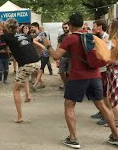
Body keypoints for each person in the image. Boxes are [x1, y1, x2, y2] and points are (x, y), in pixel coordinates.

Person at [43, 13, 118, 148]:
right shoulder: (92, 36)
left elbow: (56, 56)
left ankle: (73, 139)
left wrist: (48, 45)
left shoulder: (70, 38)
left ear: (71, 25)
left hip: (78, 77)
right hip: (95, 75)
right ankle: (116, 135)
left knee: (69, 105)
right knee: (102, 105)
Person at [0, 18, 42, 122]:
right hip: (37, 62)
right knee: (23, 74)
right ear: (17, 27)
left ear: (7, 28)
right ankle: (27, 94)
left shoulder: (8, 36)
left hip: (27, 64)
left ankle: (20, 116)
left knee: (16, 89)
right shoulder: (24, 35)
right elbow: (33, 41)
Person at [107, 19, 118, 128]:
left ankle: (116, 122)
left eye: (110, 27)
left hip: (114, 70)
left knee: (114, 99)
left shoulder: (112, 42)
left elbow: (107, 58)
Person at [57, 22, 71, 90]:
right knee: (61, 72)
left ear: (69, 27)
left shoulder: (72, 36)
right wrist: (57, 57)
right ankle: (66, 84)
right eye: (63, 28)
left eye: (66, 27)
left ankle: (68, 85)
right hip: (63, 56)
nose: (64, 29)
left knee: (70, 72)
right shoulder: (61, 37)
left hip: (71, 57)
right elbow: (58, 46)